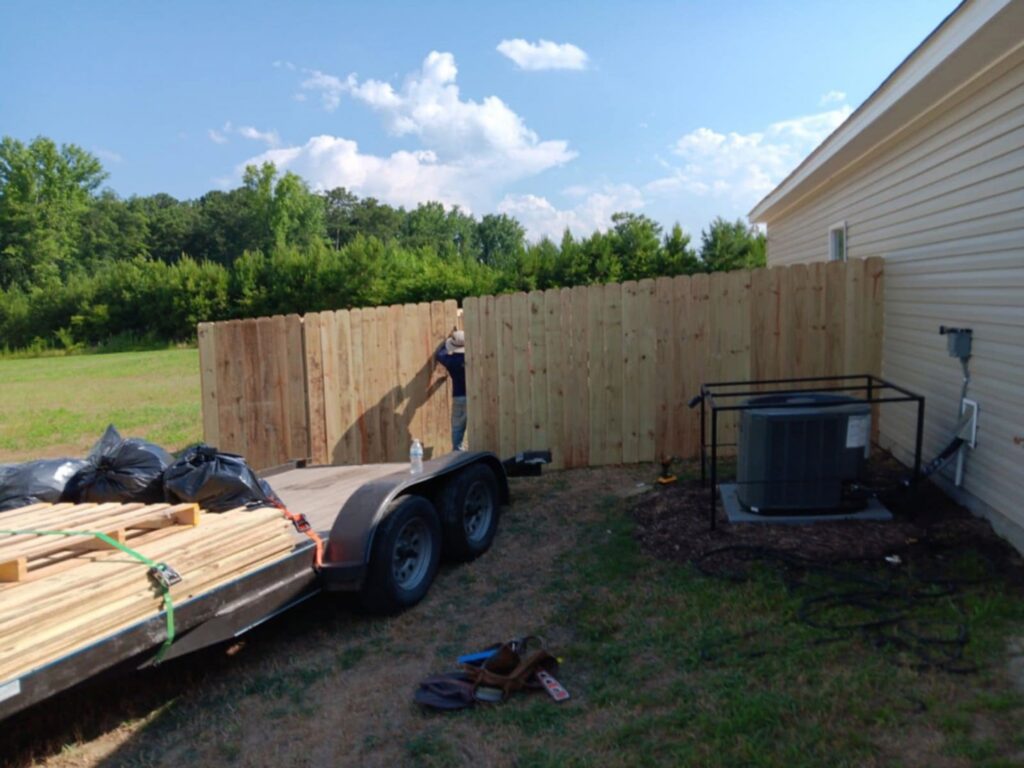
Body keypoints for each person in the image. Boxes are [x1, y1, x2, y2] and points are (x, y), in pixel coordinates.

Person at [435, 328, 467, 451]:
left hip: (459, 397)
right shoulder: (473, 358)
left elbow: (440, 354)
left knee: (458, 429)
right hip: (475, 397)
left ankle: (457, 454)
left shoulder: (451, 361)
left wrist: (446, 341)